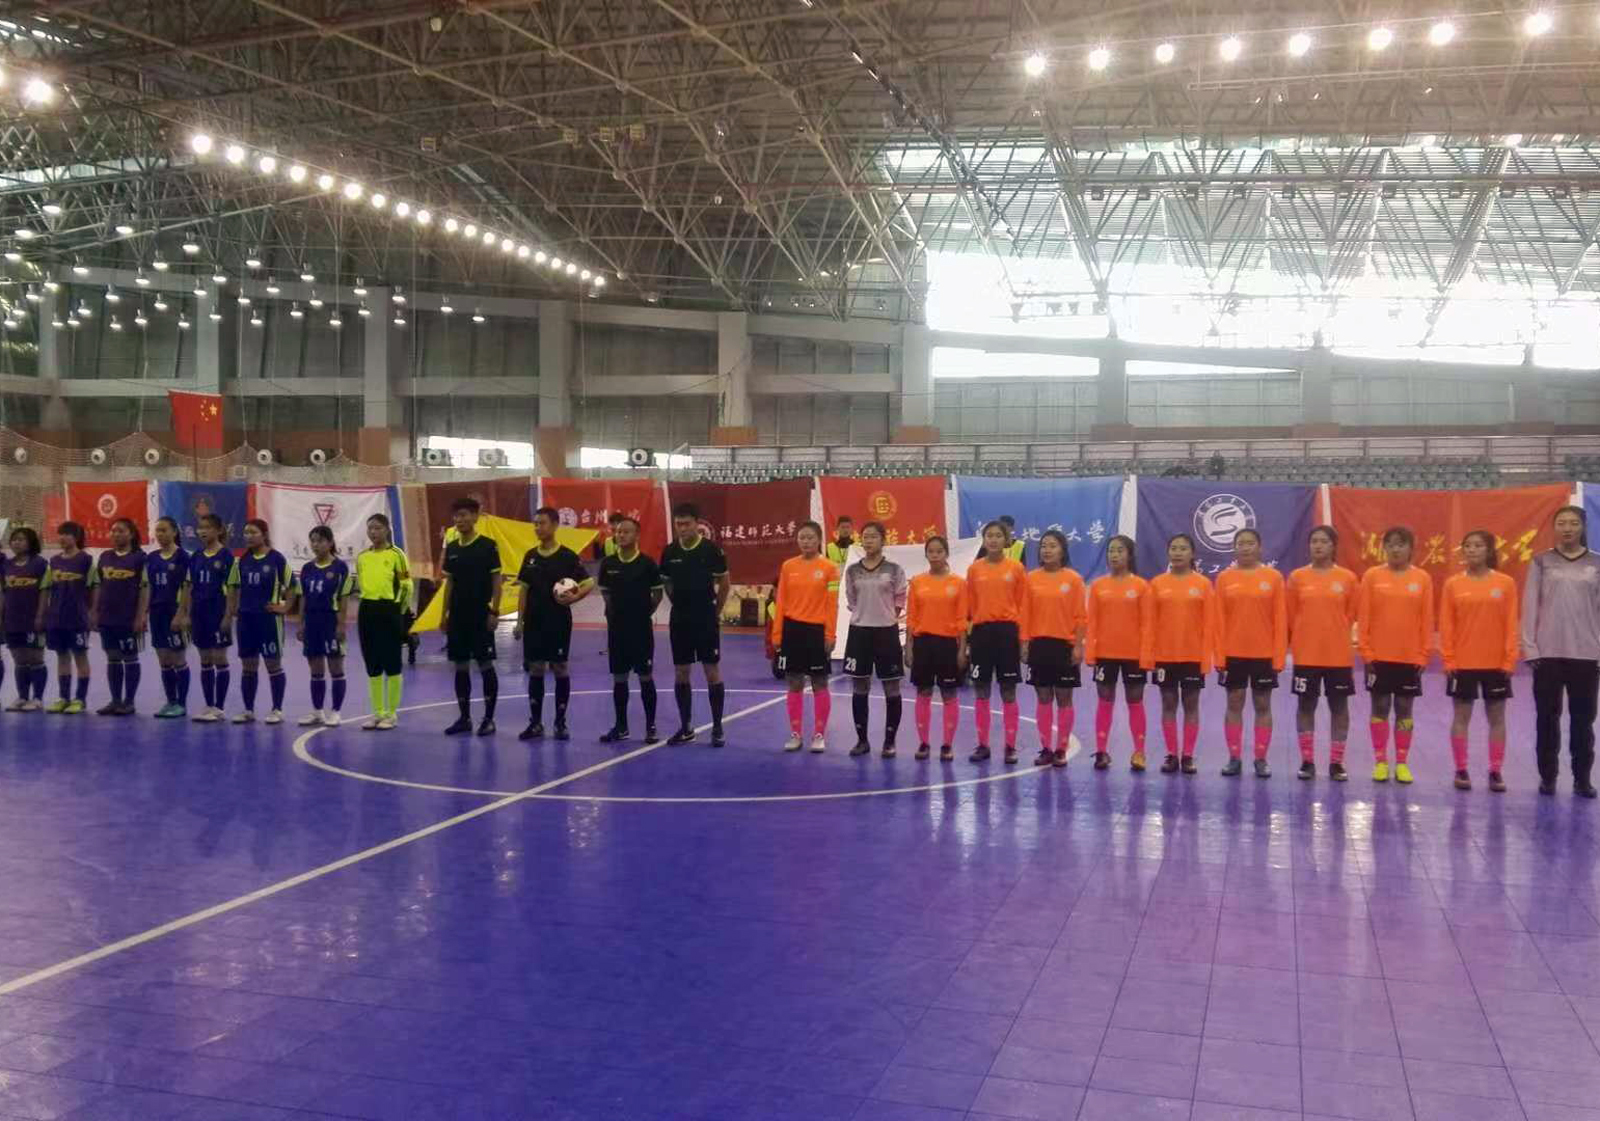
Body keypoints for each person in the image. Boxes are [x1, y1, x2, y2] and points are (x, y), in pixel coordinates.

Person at [1523, 505, 1600, 797]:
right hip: (1548, 655)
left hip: (1586, 654)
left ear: (1583, 527)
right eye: (1562, 523)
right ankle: (1548, 777)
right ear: (1554, 527)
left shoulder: (1596, 563)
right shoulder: (1541, 561)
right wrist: (1531, 647)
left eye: (1573, 523)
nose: (1567, 528)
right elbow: (1530, 605)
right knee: (1546, 719)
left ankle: (1582, 779)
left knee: (1583, 721)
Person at [1441, 530, 1519, 793]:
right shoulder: (1453, 584)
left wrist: (1509, 659)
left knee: (1497, 717)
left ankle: (1495, 770)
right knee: (1461, 716)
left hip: (1496, 664)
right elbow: (1447, 625)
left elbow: (1511, 624)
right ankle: (1461, 768)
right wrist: (1449, 660)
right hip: (1462, 664)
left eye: (1478, 545)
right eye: (1468, 546)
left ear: (1489, 551)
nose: (1472, 550)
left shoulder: (1505, 583)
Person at [1358, 526, 1433, 784]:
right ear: (1384, 548)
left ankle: (1401, 762)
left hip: (1409, 658)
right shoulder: (1372, 576)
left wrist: (1423, 655)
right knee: (1379, 707)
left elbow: (1427, 619)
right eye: (1390, 544)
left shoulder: (1422, 578)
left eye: (1401, 544)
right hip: (1378, 658)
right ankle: (1380, 762)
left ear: (1411, 548)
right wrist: (1366, 653)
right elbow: (1364, 616)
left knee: (1404, 708)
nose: (1395, 549)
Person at [513, 506, 592, 741]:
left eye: (542, 523)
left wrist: (575, 597)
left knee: (560, 668)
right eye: (535, 524)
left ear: (555, 525)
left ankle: (560, 722)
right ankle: (535, 723)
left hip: (558, 621)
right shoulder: (530, 556)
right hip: (534, 623)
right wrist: (519, 621)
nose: (538, 527)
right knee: (536, 668)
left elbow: (588, 582)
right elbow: (523, 591)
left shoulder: (568, 556)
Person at [1286, 526, 1358, 781]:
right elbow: (1292, 616)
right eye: (1314, 541)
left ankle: (1336, 762)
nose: (1318, 545)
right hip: (1307, 655)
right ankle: (1307, 761)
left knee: (1339, 707)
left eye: (1324, 541)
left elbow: (1350, 615)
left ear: (1333, 546)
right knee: (1306, 705)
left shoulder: (1348, 578)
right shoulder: (1297, 578)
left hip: (1338, 657)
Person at [1214, 527, 1286, 778]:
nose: (1245, 547)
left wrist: (1278, 657)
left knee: (1263, 704)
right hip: (1233, 654)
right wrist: (1219, 655)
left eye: (1250, 543)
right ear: (1234, 548)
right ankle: (1234, 758)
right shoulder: (1224, 578)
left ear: (1260, 547)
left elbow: (1280, 620)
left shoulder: (1274, 578)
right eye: (1240, 543)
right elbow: (1218, 621)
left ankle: (1260, 759)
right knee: (1234, 703)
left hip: (1263, 655)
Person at [660, 503, 730, 745]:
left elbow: (725, 583)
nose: (682, 528)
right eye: (678, 524)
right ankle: (686, 727)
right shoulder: (669, 552)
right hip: (680, 619)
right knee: (681, 672)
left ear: (696, 524)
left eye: (687, 524)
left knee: (711, 671)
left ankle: (717, 728)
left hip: (705, 618)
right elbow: (667, 583)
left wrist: (715, 611)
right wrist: (678, 604)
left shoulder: (711, 550)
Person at [1150, 533, 1215, 774]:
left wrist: (1206, 659)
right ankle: (1171, 754)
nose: (1177, 553)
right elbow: (1150, 623)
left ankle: (1187, 755)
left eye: (1183, 548)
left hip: (1192, 656)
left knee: (1191, 704)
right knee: (1168, 704)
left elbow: (1209, 625)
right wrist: (1150, 656)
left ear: (1192, 553)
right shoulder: (1157, 584)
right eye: (1174, 548)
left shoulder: (1203, 584)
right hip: (1164, 656)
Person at [843, 521, 908, 757]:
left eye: (873, 536)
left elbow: (900, 598)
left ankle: (889, 742)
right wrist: (866, 615)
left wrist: (885, 616)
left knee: (891, 686)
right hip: (859, 633)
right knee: (860, 685)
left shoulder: (894, 569)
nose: (868, 540)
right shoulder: (852, 571)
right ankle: (862, 741)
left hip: (886, 633)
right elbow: (851, 600)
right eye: (865, 537)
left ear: (883, 540)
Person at [1086, 535, 1151, 771]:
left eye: (1120, 550)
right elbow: (1092, 622)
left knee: (1135, 700)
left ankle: (1139, 752)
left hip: (1133, 655)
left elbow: (1147, 624)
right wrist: (1091, 653)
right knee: (1104, 700)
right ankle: (1101, 751)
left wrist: (1146, 656)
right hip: (1105, 654)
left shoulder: (1141, 586)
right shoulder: (1098, 586)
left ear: (1129, 555)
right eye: (1111, 551)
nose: (1114, 555)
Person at [439, 497, 503, 736]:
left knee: (485, 664)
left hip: (480, 615)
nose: (460, 520)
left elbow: (497, 581)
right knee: (460, 665)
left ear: (475, 517)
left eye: (465, 515)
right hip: (457, 616)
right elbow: (449, 584)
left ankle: (489, 719)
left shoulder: (488, 546)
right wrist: (444, 614)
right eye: (456, 516)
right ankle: (464, 718)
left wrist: (494, 611)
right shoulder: (452, 548)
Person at [773, 521, 838, 752]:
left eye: (810, 537)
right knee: (794, 682)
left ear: (819, 540)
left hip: (817, 631)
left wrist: (830, 634)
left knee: (820, 682)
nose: (806, 542)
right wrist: (777, 634)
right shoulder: (788, 566)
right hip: (792, 630)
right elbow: (781, 601)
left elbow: (832, 605)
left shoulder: (830, 568)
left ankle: (819, 735)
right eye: (802, 537)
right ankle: (796, 734)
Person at [966, 520, 1028, 764]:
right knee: (981, 689)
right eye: (988, 535)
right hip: (982, 633)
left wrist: (1023, 640)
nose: (993, 540)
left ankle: (1010, 746)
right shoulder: (974, 569)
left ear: (1007, 540)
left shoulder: (1016, 568)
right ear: (983, 540)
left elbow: (1023, 605)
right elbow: (970, 606)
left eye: (998, 535)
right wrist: (968, 639)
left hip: (1007, 633)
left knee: (1008, 690)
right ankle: (983, 745)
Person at [597, 515, 663, 744]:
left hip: (641, 631)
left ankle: (651, 727)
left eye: (626, 531)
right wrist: (616, 613)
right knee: (619, 678)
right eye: (618, 532)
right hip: (617, 631)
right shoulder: (608, 564)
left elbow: (657, 594)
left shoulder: (647, 564)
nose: (621, 535)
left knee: (645, 676)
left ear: (637, 535)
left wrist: (643, 613)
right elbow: (606, 593)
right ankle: (621, 726)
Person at [1022, 528, 1085, 767]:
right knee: (1043, 697)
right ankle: (1046, 748)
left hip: (1064, 646)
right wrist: (1025, 643)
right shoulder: (1031, 579)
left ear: (1062, 551)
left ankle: (1061, 749)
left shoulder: (1073, 579)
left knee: (1064, 698)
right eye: (1044, 546)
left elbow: (1081, 616)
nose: (1047, 550)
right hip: (1039, 645)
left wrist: (1077, 646)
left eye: (1052, 546)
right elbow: (1025, 614)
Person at [906, 536, 967, 762]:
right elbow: (912, 617)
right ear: (926, 554)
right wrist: (909, 647)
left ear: (946, 553)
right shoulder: (917, 582)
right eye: (931, 551)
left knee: (949, 693)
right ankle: (923, 743)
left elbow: (962, 619)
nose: (935, 555)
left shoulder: (958, 583)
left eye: (939, 551)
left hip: (948, 645)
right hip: (923, 644)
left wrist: (962, 649)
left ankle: (947, 745)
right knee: (923, 692)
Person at [291, 526, 354, 728]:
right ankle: (318, 712)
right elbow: (303, 598)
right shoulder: (307, 568)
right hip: (312, 622)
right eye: (313, 541)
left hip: (330, 621)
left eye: (320, 540)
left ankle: (336, 712)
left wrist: (341, 625)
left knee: (336, 667)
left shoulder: (340, 568)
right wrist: (300, 623)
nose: (315, 545)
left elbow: (344, 599)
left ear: (330, 542)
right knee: (316, 668)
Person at [228, 519, 290, 724]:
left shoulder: (276, 559)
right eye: (246, 532)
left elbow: (293, 586)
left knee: (273, 663)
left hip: (268, 620)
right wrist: (233, 608)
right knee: (248, 665)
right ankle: (248, 710)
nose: (248, 536)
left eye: (253, 532)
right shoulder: (242, 561)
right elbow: (233, 585)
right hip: (246, 620)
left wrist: (285, 607)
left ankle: (277, 709)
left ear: (264, 534)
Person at [352, 514, 409, 730]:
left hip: (390, 610)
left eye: (377, 528)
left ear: (387, 530)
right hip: (367, 610)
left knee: (392, 663)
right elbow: (361, 583)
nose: (373, 532)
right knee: (372, 663)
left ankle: (391, 714)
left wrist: (398, 612)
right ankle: (377, 712)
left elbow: (406, 585)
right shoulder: (362, 557)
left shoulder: (397, 555)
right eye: (370, 528)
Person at [182, 513, 237, 722]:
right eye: (200, 527)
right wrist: (187, 614)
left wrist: (228, 616)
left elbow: (232, 588)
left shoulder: (227, 556)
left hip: (217, 611)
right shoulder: (196, 556)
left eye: (207, 527)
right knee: (205, 659)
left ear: (219, 530)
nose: (202, 531)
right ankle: (209, 705)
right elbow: (189, 586)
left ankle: (220, 707)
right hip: (199, 612)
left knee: (219, 658)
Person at [91, 517, 148, 716]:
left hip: (128, 617)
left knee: (130, 657)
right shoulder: (105, 557)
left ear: (131, 534)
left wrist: (141, 616)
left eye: (121, 530)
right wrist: (95, 611)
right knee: (112, 658)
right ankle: (115, 701)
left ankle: (129, 702)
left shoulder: (140, 558)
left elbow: (145, 589)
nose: (116, 534)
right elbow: (99, 586)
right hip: (107, 617)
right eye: (113, 530)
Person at [42, 521, 94, 714]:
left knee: (80, 656)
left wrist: (92, 612)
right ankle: (64, 697)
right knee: (62, 656)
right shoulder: (54, 561)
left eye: (67, 534)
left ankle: (80, 699)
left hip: (77, 618)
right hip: (57, 618)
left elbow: (94, 587)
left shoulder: (86, 560)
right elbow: (47, 589)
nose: (62, 538)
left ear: (76, 537)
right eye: (60, 534)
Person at [147, 516, 192, 719]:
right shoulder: (152, 558)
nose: (160, 534)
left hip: (174, 612)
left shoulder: (183, 557)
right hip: (157, 613)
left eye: (164, 530)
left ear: (174, 532)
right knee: (164, 659)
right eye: (157, 530)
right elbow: (148, 587)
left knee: (178, 658)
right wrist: (144, 612)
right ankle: (170, 701)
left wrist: (182, 614)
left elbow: (187, 588)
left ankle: (181, 704)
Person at [2, 526, 48, 711]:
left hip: (32, 618)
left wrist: (40, 615)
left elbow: (44, 592)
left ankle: (37, 698)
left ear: (30, 543)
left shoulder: (40, 564)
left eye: (21, 539)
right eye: (14, 539)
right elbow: (3, 593)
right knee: (19, 659)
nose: (16, 543)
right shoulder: (6, 565)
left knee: (35, 657)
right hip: (12, 619)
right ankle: (22, 696)